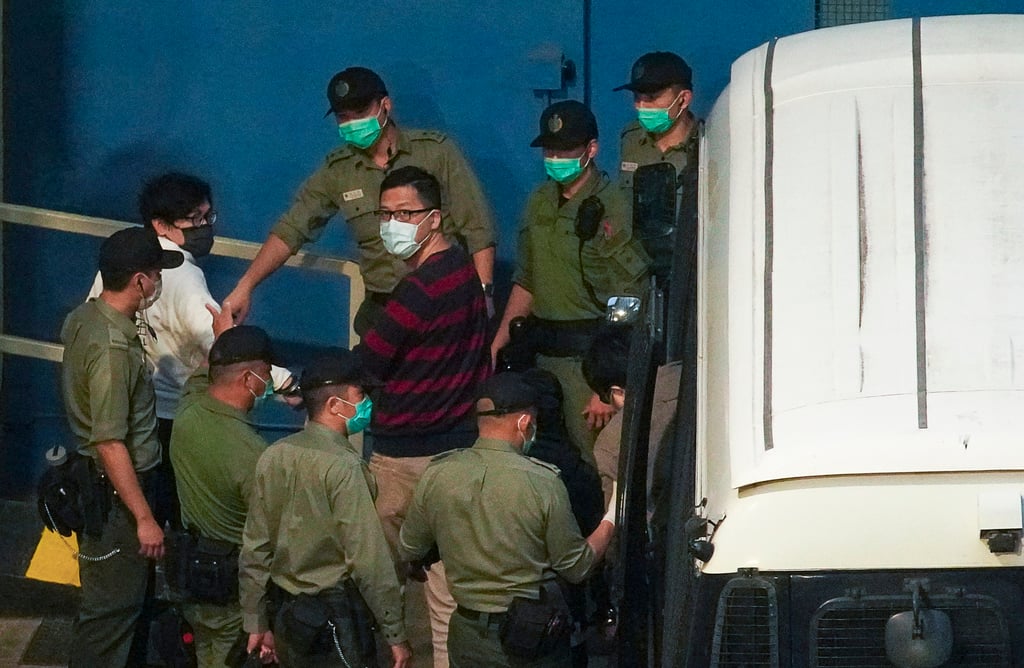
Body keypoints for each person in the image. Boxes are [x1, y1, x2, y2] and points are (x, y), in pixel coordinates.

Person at [86, 173, 294, 529]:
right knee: (182, 512)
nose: (204, 228)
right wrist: (285, 383)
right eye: (194, 220)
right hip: (177, 416)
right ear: (161, 225)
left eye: (207, 217)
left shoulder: (122, 264)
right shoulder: (184, 277)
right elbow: (223, 347)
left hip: (136, 411)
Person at [224, 66, 497, 334]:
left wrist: (483, 297)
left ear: (385, 106)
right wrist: (245, 286)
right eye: (344, 117)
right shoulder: (338, 170)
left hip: (443, 302)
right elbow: (292, 229)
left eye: (361, 113)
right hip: (384, 307)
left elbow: (477, 229)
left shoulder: (436, 153)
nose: (353, 123)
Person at [356, 165, 490, 667]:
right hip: (457, 453)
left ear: (434, 219)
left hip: (401, 464)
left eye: (405, 213)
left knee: (382, 581)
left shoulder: (417, 291)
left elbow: (368, 363)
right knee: (446, 591)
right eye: (386, 214)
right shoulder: (465, 276)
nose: (393, 223)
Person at [398, 372, 617, 667]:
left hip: (466, 631)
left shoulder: (437, 474)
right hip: (530, 636)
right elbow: (576, 566)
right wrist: (612, 520)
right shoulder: (543, 482)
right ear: (525, 422)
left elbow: (410, 549)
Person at [491, 100, 649, 465]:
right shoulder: (539, 202)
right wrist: (499, 342)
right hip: (543, 358)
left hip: (588, 359)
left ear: (591, 149)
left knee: (598, 462)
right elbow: (526, 280)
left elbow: (630, 298)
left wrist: (607, 383)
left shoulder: (614, 206)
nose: (556, 158)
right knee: (543, 459)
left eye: (566, 150)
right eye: (550, 150)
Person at [239, 350, 412, 667]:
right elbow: (368, 560)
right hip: (336, 620)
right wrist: (395, 634)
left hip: (286, 616)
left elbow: (255, 547)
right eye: (360, 394)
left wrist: (256, 621)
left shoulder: (275, 455)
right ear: (334, 405)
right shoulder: (345, 467)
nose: (367, 403)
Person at [61, 226, 183, 666]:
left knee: (122, 605)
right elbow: (111, 441)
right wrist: (145, 518)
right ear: (139, 282)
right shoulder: (114, 349)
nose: (157, 282)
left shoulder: (85, 317)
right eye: (155, 273)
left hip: (104, 488)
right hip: (119, 498)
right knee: (111, 614)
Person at [169, 324, 276, 668]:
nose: (270, 381)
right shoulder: (254, 454)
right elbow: (269, 540)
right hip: (235, 597)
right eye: (267, 374)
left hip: (192, 582)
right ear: (248, 379)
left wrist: (223, 339)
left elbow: (203, 376)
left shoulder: (187, 411)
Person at [614, 52, 700, 281]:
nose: (642, 106)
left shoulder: (708, 144)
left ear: (683, 99)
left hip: (690, 277)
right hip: (638, 276)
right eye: (637, 97)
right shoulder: (631, 140)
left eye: (652, 97)